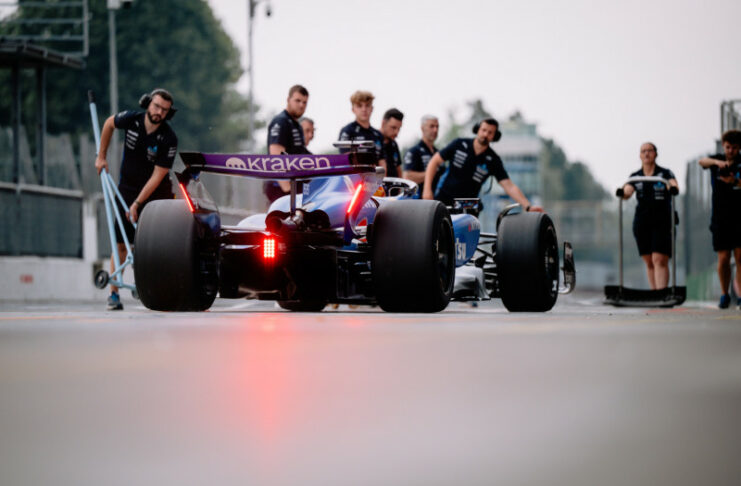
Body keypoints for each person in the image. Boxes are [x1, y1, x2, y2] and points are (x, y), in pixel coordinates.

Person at [94, 88, 178, 310]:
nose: (159, 112)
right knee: (121, 243)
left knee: (155, 245)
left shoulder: (169, 138)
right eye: (156, 106)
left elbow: (158, 175)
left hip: (157, 195)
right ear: (148, 103)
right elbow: (108, 124)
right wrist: (101, 157)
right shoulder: (131, 119)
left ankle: (154, 287)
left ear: (168, 113)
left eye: (164, 110)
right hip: (128, 188)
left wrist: (138, 204)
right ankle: (114, 294)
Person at [422, 118, 543, 213]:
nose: (485, 134)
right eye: (483, 130)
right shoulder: (459, 144)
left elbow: (509, 186)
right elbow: (434, 162)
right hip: (444, 198)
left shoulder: (493, 160)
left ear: (495, 136)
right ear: (477, 130)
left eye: (490, 132)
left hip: (469, 205)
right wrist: (427, 190)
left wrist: (528, 206)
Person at [617, 142, 679, 291]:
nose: (646, 154)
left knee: (659, 258)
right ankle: (654, 293)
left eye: (649, 151)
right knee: (649, 261)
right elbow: (628, 190)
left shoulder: (665, 174)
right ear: (639, 155)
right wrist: (622, 192)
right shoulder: (635, 176)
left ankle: (661, 293)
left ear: (655, 154)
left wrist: (672, 187)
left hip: (662, 221)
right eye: (643, 151)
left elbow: (672, 184)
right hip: (642, 222)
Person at [698, 129, 741, 308]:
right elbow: (702, 161)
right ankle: (725, 294)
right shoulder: (716, 160)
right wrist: (718, 163)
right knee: (723, 258)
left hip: (739, 217)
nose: (731, 151)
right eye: (728, 147)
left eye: (734, 148)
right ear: (723, 146)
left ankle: (740, 295)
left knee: (740, 257)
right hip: (720, 218)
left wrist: (734, 182)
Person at [263, 85, 310, 202]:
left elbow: (301, 153)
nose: (301, 105)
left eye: (304, 102)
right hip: (280, 188)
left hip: (294, 185)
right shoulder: (281, 121)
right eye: (297, 101)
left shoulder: (296, 124)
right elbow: (276, 156)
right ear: (288, 100)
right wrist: (288, 189)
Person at [337, 90, 385, 169]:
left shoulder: (378, 135)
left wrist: (381, 176)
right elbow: (346, 158)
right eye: (359, 106)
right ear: (353, 109)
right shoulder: (347, 131)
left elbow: (382, 162)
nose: (364, 109)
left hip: (375, 175)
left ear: (372, 108)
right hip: (354, 175)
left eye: (367, 105)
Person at [403, 114, 439, 196]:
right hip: (420, 200)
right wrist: (432, 172)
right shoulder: (414, 151)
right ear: (422, 128)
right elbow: (407, 177)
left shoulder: (438, 153)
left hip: (438, 199)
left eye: (437, 127)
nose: (435, 130)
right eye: (432, 126)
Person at [380, 108, 404, 177]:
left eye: (399, 129)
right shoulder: (374, 142)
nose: (396, 132)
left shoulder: (394, 144)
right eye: (393, 128)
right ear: (383, 123)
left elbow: (398, 170)